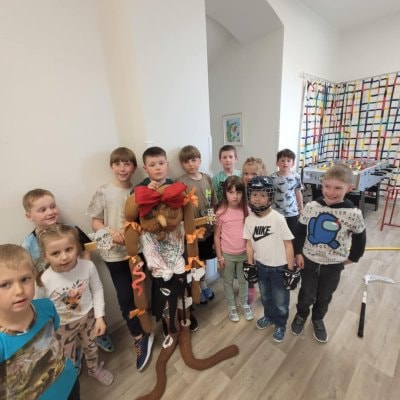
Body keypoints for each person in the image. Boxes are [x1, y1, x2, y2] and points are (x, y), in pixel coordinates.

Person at [21, 189, 114, 359]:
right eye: (42, 210)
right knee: (65, 329)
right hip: (55, 292)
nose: (50, 212)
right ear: (29, 216)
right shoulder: (28, 244)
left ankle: (98, 335)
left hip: (80, 285)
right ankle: (75, 350)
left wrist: (84, 272)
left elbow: (86, 250)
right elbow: (30, 271)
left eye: (52, 206)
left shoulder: (72, 230)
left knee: (90, 314)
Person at [87, 146, 154, 371]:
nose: (122, 168)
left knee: (142, 293)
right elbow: (95, 221)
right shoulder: (104, 191)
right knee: (125, 297)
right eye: (118, 164)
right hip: (114, 256)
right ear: (111, 166)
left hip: (139, 252)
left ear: (134, 167)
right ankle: (138, 337)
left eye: (127, 164)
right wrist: (109, 231)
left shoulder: (139, 191)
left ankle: (149, 328)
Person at [290, 164, 366, 343]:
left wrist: (350, 259)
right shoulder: (311, 207)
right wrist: (298, 253)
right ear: (322, 184)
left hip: (333, 266)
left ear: (350, 188)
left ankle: (318, 319)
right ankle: (301, 315)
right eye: (327, 186)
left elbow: (360, 239)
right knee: (306, 294)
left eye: (338, 188)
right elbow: (299, 231)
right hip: (308, 261)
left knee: (324, 296)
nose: (331, 192)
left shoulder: (354, 213)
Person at [36, 224, 114, 386]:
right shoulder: (44, 280)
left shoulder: (88, 266)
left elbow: (97, 289)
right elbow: (39, 309)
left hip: (88, 318)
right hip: (62, 327)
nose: (64, 257)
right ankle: (71, 375)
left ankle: (94, 370)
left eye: (69, 249)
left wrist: (100, 317)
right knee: (67, 356)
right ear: (45, 256)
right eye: (55, 253)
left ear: (77, 248)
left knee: (91, 348)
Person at [0, 244, 80, 400]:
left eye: (25, 279)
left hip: (69, 382)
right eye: (5, 284)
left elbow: (53, 337)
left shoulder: (46, 307)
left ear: (34, 276)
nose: (19, 291)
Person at [135, 146, 199, 332]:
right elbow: (135, 215)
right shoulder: (139, 189)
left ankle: (186, 314)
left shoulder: (175, 185)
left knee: (181, 280)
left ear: (167, 164)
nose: (158, 167)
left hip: (176, 242)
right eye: (152, 164)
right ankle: (167, 321)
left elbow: (185, 210)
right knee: (161, 285)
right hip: (154, 246)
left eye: (161, 163)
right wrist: (148, 194)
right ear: (145, 168)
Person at [243, 176, 294, 342]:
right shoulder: (249, 220)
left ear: (270, 196)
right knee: (265, 297)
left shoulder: (278, 218)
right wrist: (250, 265)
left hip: (279, 268)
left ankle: (280, 324)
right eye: (254, 194)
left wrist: (290, 269)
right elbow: (249, 244)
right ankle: (269, 317)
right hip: (261, 266)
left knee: (280, 301)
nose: (258, 198)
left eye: (262, 195)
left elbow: (288, 244)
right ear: (249, 196)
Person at [177, 145, 217, 305]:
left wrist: (212, 222)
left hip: (207, 229)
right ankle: (196, 289)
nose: (191, 164)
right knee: (193, 260)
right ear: (182, 164)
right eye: (186, 161)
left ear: (199, 160)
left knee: (204, 259)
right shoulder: (180, 182)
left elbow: (213, 201)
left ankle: (203, 284)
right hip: (192, 232)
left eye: (193, 160)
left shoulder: (207, 178)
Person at [214, 176, 252, 322]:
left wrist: (251, 256)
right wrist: (219, 257)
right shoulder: (221, 213)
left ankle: (244, 303)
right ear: (225, 193)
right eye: (231, 192)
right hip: (227, 255)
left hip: (244, 254)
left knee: (244, 281)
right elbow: (216, 236)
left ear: (243, 193)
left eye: (238, 192)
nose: (235, 196)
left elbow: (250, 236)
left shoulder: (247, 211)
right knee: (228, 281)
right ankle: (231, 305)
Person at [242, 157, 267, 305]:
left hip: (260, 234)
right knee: (248, 262)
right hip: (245, 234)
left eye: (253, 174)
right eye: (246, 173)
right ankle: (250, 286)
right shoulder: (241, 191)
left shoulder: (264, 193)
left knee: (261, 263)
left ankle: (265, 290)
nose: (249, 177)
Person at [269, 149, 304, 235]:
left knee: (292, 234)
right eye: (282, 160)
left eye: (288, 161)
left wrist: (301, 208)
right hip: (276, 212)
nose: (285, 163)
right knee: (276, 234)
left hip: (292, 212)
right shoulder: (272, 177)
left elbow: (298, 192)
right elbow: (269, 195)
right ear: (277, 163)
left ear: (293, 164)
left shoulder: (296, 176)